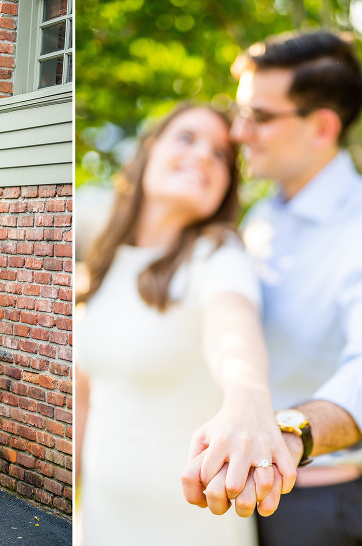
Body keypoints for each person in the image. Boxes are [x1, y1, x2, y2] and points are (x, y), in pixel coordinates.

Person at [182, 31, 362, 546]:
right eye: (240, 111)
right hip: (239, 491)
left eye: (261, 116)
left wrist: (290, 435)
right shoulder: (263, 212)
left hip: (321, 505)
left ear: (321, 127)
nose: (238, 131)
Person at [75, 103, 297, 545]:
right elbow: (86, 396)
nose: (203, 157)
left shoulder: (218, 256)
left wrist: (248, 397)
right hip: (100, 523)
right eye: (187, 138)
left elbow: (233, 331)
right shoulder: (106, 258)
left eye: (220, 155)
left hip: (192, 529)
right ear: (149, 150)